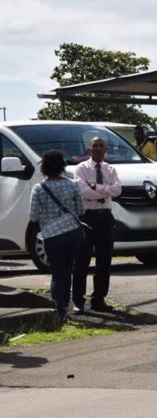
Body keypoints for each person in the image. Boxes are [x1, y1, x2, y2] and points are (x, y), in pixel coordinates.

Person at [28, 150, 85, 321]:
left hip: (51, 236)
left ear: (44, 167)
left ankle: (58, 310)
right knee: (67, 271)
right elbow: (82, 210)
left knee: (57, 272)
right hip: (73, 233)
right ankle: (64, 307)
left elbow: (33, 216)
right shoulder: (72, 184)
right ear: (62, 166)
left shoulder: (39, 188)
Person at [72, 136, 122, 312]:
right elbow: (82, 192)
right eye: (95, 146)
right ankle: (78, 300)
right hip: (87, 217)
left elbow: (117, 189)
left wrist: (96, 188)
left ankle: (99, 298)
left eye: (101, 145)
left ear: (106, 149)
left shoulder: (111, 169)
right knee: (82, 260)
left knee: (104, 260)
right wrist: (104, 190)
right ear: (89, 149)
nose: (98, 148)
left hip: (105, 217)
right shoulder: (81, 169)